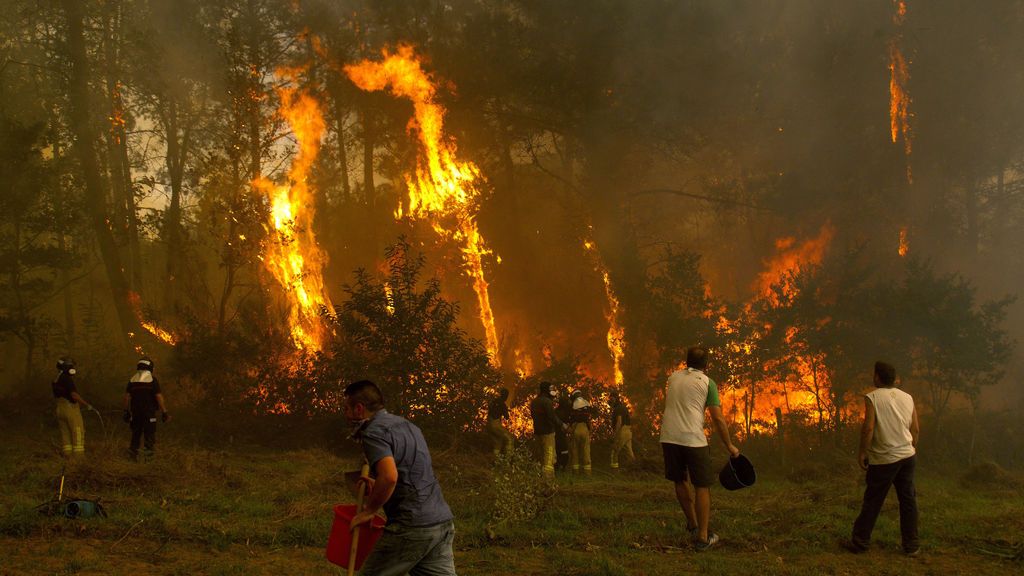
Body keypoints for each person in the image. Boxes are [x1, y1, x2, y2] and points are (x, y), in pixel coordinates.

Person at [344, 380, 456, 576]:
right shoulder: (407, 425)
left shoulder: (373, 432)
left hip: (412, 527)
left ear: (359, 409)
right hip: (441, 522)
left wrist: (369, 510)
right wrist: (377, 483)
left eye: (347, 408)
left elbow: (389, 477)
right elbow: (410, 473)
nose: (345, 414)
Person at [660, 346, 740, 550]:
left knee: (679, 480)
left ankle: (694, 525)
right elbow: (718, 419)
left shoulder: (673, 378)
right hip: (693, 440)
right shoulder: (708, 383)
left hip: (669, 436)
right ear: (706, 364)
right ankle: (703, 538)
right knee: (702, 486)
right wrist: (729, 445)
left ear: (686, 362)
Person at [846, 361, 920, 555]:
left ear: (877, 377)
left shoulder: (873, 397)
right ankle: (911, 546)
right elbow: (916, 429)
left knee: (873, 500)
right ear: (894, 379)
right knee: (908, 500)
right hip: (907, 456)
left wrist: (863, 452)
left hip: (885, 459)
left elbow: (869, 427)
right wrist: (910, 448)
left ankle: (860, 542)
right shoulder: (908, 397)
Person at [123, 357, 169, 460]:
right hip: (149, 414)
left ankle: (132, 458)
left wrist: (126, 411)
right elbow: (159, 397)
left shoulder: (132, 380)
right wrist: (164, 411)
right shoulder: (153, 380)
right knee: (149, 436)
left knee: (135, 435)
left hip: (135, 414)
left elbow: (126, 397)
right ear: (150, 368)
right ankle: (148, 459)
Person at [52, 357, 95, 458]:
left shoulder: (56, 378)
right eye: (70, 365)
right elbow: (74, 395)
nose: (72, 368)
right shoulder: (67, 378)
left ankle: (68, 456)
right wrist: (86, 404)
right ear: (66, 367)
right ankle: (79, 458)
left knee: (65, 432)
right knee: (78, 431)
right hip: (70, 408)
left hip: (59, 408)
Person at [530, 381, 565, 477]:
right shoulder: (547, 402)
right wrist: (562, 425)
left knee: (540, 456)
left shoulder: (534, 401)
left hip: (537, 432)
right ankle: (548, 480)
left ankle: (537, 478)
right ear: (546, 390)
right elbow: (552, 416)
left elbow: (533, 416)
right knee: (549, 456)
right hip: (547, 433)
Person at [568, 390, 594, 474]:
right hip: (584, 428)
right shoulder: (586, 403)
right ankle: (587, 473)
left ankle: (576, 472)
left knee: (575, 451)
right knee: (586, 450)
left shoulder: (573, 405)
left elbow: (571, 419)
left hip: (575, 428)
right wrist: (590, 429)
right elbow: (588, 418)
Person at [609, 390, 635, 470]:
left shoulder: (618, 408)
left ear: (614, 398)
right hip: (628, 431)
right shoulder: (622, 407)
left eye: (611, 398)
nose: (610, 400)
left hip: (622, 431)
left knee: (615, 451)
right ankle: (635, 468)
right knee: (629, 452)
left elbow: (619, 422)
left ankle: (615, 472)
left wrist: (615, 435)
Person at [486, 387, 514, 457]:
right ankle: (508, 460)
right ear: (506, 396)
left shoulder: (494, 401)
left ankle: (496, 461)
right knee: (509, 439)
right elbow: (506, 417)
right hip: (495, 425)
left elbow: (490, 409)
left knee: (497, 442)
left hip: (488, 424)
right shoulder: (502, 404)